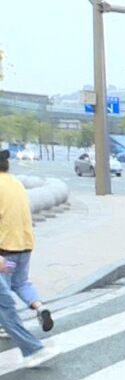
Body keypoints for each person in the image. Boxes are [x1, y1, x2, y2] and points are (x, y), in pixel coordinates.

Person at [0, 148, 53, 367]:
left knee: (4, 306)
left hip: (5, 250)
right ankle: (39, 307)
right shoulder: (16, 183)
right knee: (20, 283)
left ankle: (33, 350)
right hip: (24, 245)